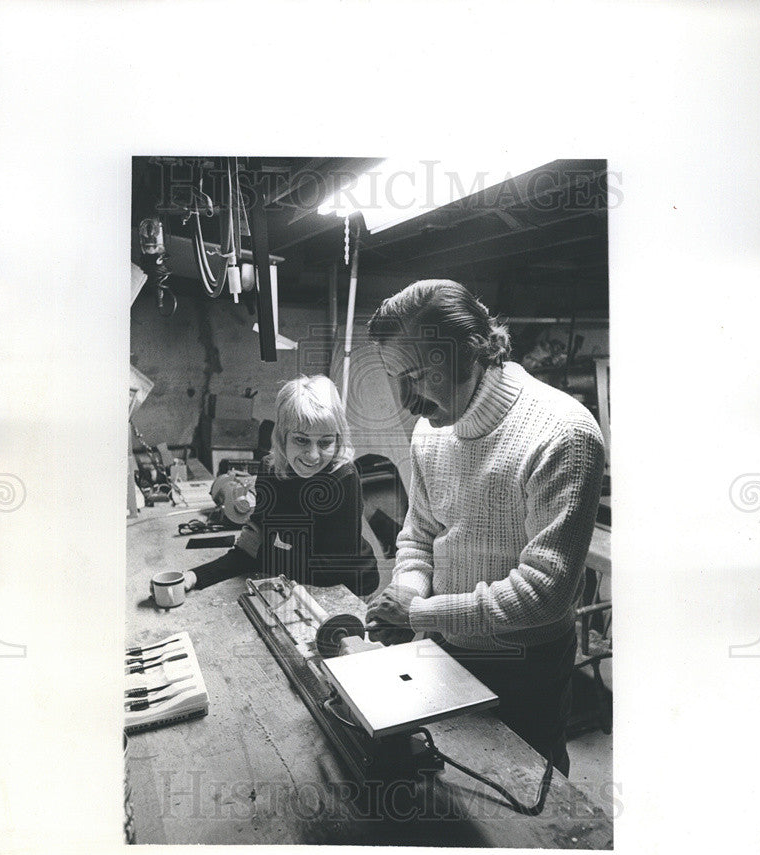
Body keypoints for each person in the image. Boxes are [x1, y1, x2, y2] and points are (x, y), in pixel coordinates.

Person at [364, 280, 605, 776]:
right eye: (395, 378)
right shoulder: (429, 435)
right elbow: (420, 535)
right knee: (450, 784)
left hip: (527, 665)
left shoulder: (564, 432)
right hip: (444, 647)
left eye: (414, 376)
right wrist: (406, 596)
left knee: (532, 800)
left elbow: (546, 591)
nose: (407, 401)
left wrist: (423, 612)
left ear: (470, 351)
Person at [184, 375, 379, 598]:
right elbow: (251, 545)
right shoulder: (270, 469)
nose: (313, 455)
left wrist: (265, 552)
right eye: (301, 440)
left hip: (350, 585)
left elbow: (333, 568)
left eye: (325, 442)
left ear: (338, 438)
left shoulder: (343, 477)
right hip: (296, 578)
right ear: (282, 437)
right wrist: (195, 576)